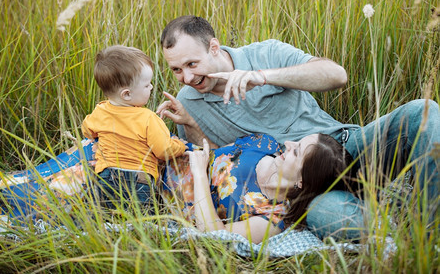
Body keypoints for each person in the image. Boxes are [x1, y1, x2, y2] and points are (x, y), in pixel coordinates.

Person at [156, 15, 439, 238]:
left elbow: (335, 75)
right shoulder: (188, 101)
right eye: (176, 70)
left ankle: (431, 226)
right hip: (301, 192)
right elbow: (216, 159)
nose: (187, 77)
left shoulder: (264, 53)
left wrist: (263, 77)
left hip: (342, 148)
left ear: (214, 47)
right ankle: (390, 219)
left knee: (422, 112)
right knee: (330, 216)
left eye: (192, 63)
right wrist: (191, 123)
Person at [164, 133, 355, 244]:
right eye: (297, 141)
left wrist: (198, 174)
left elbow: (212, 235)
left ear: (302, 181)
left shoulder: (271, 219)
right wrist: (188, 121)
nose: (288, 144)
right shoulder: (264, 144)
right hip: (161, 148)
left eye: (295, 152)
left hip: (151, 189)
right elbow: (213, 152)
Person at [82, 45, 186, 211]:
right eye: (147, 85)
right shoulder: (147, 118)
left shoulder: (100, 111)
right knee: (143, 225)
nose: (151, 87)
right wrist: (179, 145)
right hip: (138, 181)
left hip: (105, 177)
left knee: (102, 220)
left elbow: (87, 130)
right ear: (127, 94)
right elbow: (163, 150)